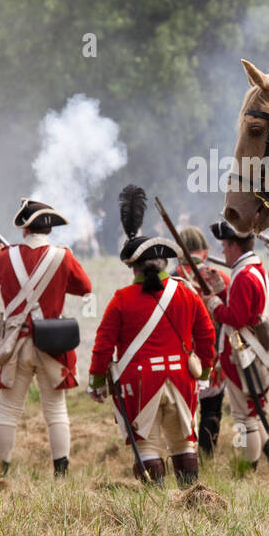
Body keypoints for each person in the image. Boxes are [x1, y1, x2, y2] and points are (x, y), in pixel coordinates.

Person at [88, 186, 216, 486]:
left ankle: (156, 504)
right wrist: (205, 371)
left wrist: (96, 381)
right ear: (164, 265)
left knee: (146, 445)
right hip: (182, 378)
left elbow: (103, 345)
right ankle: (191, 498)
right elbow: (206, 333)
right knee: (184, 443)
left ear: (133, 267)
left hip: (139, 382)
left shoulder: (121, 298)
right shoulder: (186, 293)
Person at [0, 198, 92, 477]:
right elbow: (85, 287)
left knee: (8, 411)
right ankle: (61, 473)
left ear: (24, 229)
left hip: (15, 346)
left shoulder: (6, 256)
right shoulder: (63, 256)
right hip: (50, 344)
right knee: (56, 411)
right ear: (49, 229)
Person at [200, 219, 269, 474]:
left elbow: (237, 318)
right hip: (254, 352)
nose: (223, 252)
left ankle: (247, 471)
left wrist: (213, 304)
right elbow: (245, 306)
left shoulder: (243, 276)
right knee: (253, 412)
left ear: (234, 245)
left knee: (245, 418)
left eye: (225, 246)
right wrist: (220, 288)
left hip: (245, 355)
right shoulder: (253, 269)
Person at [172, 225, 229, 456]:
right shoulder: (219, 275)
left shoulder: (173, 278)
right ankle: (207, 453)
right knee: (212, 407)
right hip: (211, 350)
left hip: (182, 351)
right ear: (204, 251)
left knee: (185, 406)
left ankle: (185, 452)